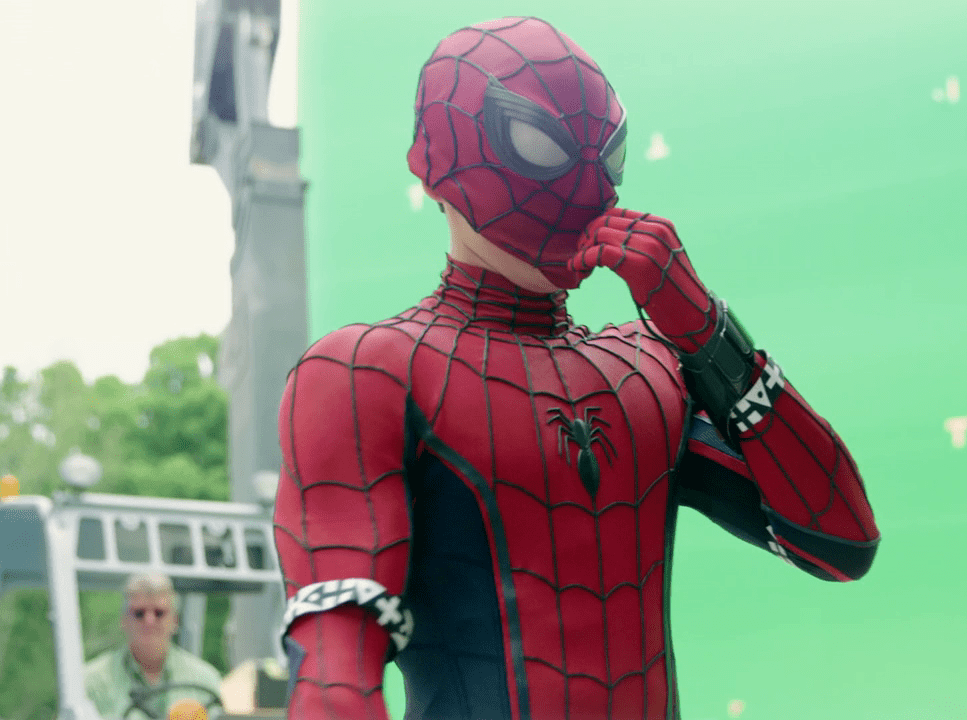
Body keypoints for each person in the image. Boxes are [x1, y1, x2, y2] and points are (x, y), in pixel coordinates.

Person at [272, 16, 881, 720]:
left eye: (608, 157)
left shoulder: (648, 367)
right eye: (538, 145)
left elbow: (841, 543)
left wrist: (710, 338)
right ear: (437, 157)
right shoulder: (368, 374)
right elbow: (335, 666)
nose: (589, 189)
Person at [84, 573, 223, 720]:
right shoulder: (91, 682)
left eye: (159, 613)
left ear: (175, 620)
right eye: (139, 613)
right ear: (123, 620)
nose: (149, 621)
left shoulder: (204, 679)